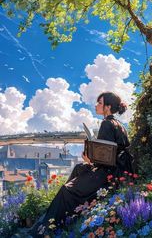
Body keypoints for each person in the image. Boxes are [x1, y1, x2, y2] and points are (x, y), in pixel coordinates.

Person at [30, 92, 133, 237]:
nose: (96, 105)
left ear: (108, 107)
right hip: (118, 171)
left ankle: (47, 227)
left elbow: (106, 158)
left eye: (99, 103)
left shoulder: (106, 123)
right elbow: (110, 153)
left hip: (109, 173)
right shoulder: (119, 124)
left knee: (67, 189)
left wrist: (90, 160)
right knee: (79, 169)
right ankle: (60, 217)